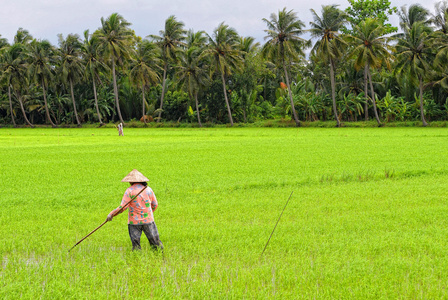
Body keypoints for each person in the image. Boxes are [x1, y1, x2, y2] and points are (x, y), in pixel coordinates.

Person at [107, 169, 164, 251]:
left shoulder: (129, 191)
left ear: (131, 181)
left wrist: (111, 214)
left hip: (134, 222)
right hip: (148, 220)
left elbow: (123, 207)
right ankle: (159, 256)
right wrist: (148, 213)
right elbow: (155, 204)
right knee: (155, 242)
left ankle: (137, 256)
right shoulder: (148, 189)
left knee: (136, 244)